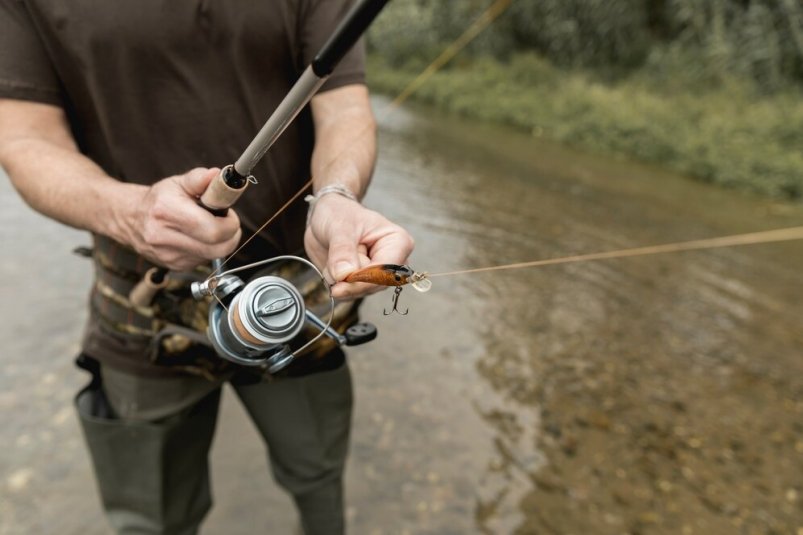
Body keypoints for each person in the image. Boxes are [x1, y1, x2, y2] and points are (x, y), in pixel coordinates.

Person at [0, 1, 413, 534]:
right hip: (142, 310)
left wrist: (336, 196)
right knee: (152, 519)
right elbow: (23, 139)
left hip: (298, 304)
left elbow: (344, 108)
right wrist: (129, 214)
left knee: (318, 479)